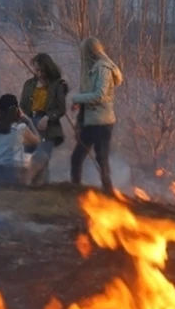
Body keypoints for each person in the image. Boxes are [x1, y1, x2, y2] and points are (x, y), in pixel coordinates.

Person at [70, 37, 123, 195]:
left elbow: (100, 95)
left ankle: (109, 193)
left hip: (101, 123)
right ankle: (75, 191)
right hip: (91, 121)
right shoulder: (94, 68)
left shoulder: (103, 68)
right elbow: (92, 94)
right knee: (77, 157)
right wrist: (79, 104)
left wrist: (77, 98)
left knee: (101, 159)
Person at [20, 53, 69, 184]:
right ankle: (40, 187)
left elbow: (61, 109)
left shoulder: (57, 85)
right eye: (37, 70)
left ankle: (27, 181)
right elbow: (23, 106)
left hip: (49, 125)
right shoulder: (29, 84)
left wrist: (47, 117)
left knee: (42, 155)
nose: (40, 73)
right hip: (30, 124)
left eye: (42, 70)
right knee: (29, 156)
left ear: (48, 68)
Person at [0, 94, 46, 185]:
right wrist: (28, 120)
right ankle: (33, 185)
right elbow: (37, 141)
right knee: (42, 156)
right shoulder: (20, 128)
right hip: (14, 175)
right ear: (17, 110)